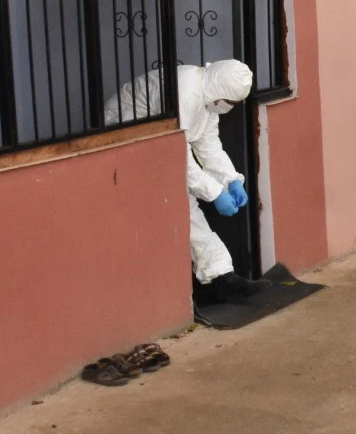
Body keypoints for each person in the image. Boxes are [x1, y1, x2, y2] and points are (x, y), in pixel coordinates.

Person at [105, 59, 267, 304]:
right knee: (184, 202)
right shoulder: (187, 93)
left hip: (153, 136)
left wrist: (231, 180)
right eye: (231, 103)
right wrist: (214, 193)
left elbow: (208, 144)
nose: (231, 107)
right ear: (221, 93)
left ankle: (221, 276)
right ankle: (221, 278)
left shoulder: (207, 96)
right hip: (124, 134)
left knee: (185, 203)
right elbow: (180, 156)